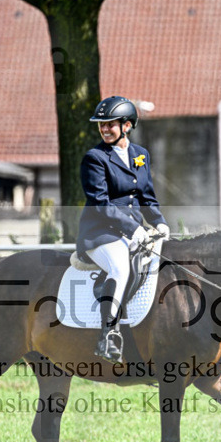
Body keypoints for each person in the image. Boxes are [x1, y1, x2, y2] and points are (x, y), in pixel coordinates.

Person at [76, 95, 171, 363]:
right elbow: (100, 203)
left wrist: (160, 222)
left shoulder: (141, 155)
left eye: (110, 124)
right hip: (100, 233)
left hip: (132, 231)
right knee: (120, 266)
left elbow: (147, 198)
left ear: (127, 126)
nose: (105, 129)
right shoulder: (94, 158)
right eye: (101, 125)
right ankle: (108, 336)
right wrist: (134, 228)